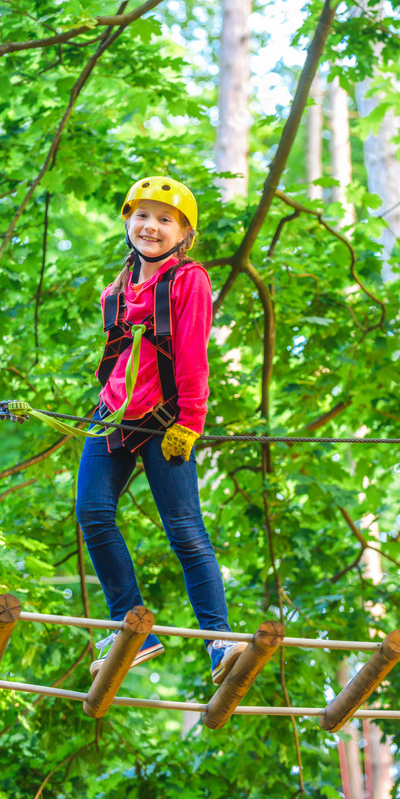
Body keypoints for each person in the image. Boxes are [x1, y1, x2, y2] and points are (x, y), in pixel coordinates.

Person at [76, 175, 246, 686]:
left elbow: (192, 354)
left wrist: (190, 422)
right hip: (113, 415)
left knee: (186, 532)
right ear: (128, 221)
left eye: (165, 219)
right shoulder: (116, 288)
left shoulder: (189, 280)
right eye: (142, 216)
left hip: (166, 421)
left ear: (183, 235)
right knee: (92, 513)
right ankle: (131, 627)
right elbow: (118, 359)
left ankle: (220, 641)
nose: (151, 226)